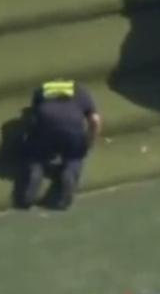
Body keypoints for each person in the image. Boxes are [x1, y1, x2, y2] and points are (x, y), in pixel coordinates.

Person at [16, 79, 102, 210]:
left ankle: (30, 190)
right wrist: (89, 141)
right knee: (74, 157)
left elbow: (34, 118)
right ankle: (69, 174)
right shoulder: (81, 91)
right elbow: (95, 120)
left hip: (46, 127)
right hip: (72, 129)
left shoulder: (41, 90)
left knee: (36, 157)